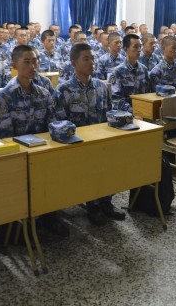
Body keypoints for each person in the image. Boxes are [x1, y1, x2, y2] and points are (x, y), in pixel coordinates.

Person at [0, 45, 68, 237]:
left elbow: (52, 125)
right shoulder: (5, 96)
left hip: (42, 152)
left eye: (35, 61)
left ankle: (50, 215)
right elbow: (5, 136)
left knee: (55, 171)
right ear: (14, 65)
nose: (32, 66)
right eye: (26, 61)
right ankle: (27, 223)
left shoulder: (43, 93)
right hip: (19, 157)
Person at [53, 43, 124, 225]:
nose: (92, 62)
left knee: (109, 166)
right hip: (77, 145)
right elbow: (59, 122)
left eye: (92, 58)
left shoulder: (101, 87)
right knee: (88, 168)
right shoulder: (63, 90)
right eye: (86, 59)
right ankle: (92, 205)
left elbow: (109, 113)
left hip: (101, 141)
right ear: (73, 63)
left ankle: (106, 201)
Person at [109, 34, 150, 112]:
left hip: (143, 110)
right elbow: (116, 99)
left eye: (140, 46)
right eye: (135, 47)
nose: (139, 50)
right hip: (125, 113)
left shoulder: (143, 69)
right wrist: (133, 111)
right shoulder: (118, 71)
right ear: (126, 49)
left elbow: (148, 94)